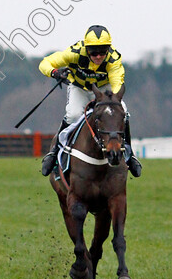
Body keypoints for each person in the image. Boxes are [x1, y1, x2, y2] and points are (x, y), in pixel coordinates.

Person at [38, 25, 142, 177]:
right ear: (86, 48)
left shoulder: (113, 59)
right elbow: (45, 63)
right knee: (73, 115)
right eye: (93, 51)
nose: (98, 56)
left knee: (123, 112)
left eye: (103, 51)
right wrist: (54, 72)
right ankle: (54, 153)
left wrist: (111, 101)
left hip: (103, 89)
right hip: (79, 88)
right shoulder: (74, 53)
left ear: (108, 49)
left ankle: (129, 153)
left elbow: (117, 86)